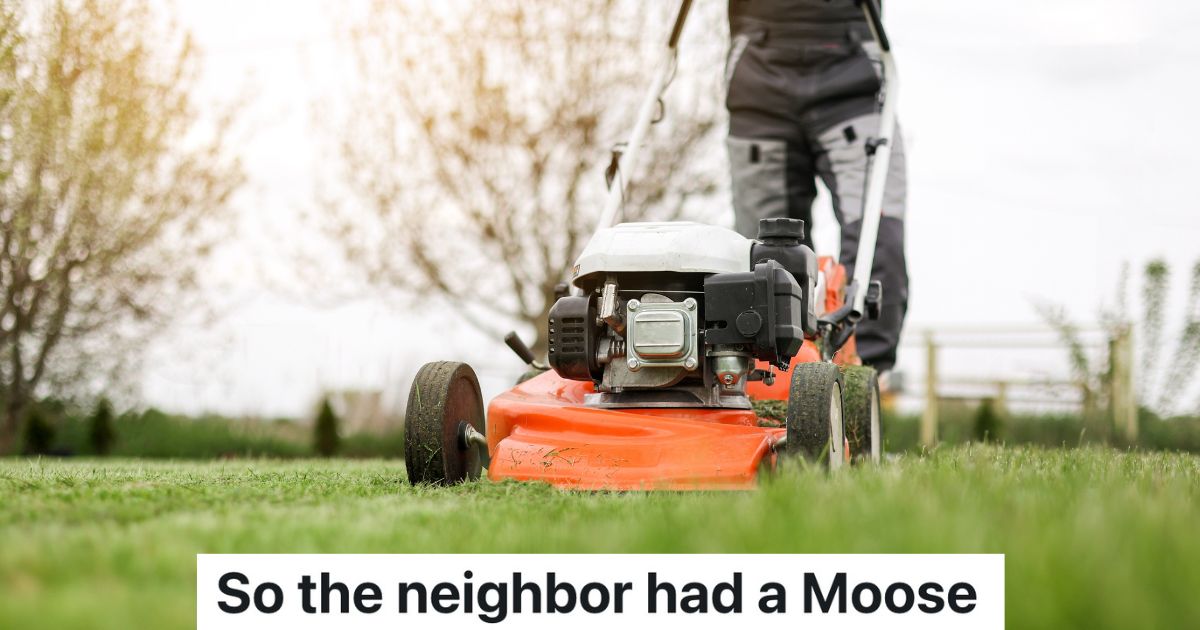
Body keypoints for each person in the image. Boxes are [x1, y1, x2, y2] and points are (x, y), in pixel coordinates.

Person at [724, 0, 907, 372]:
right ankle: (777, 372)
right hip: (760, 79)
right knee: (767, 249)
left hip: (852, 71)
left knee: (874, 231)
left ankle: (861, 373)